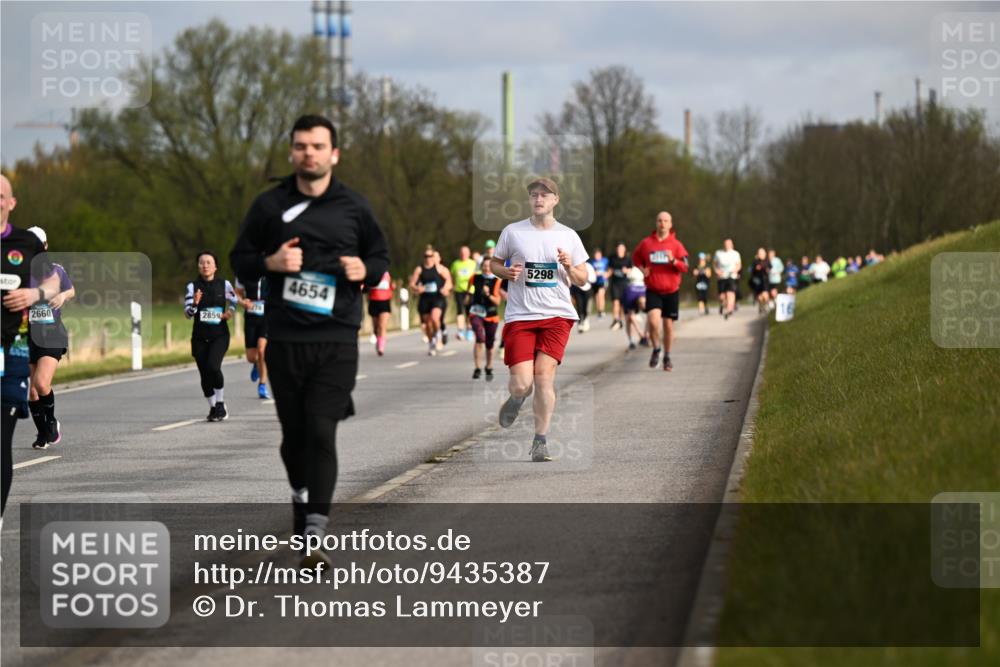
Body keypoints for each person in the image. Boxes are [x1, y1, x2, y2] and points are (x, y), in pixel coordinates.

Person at [230, 114, 389, 569]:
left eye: (318, 146)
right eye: (301, 146)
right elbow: (240, 259)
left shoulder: (354, 207)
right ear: (291, 153)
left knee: (321, 429)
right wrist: (270, 262)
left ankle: (313, 532)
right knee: (293, 437)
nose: (309, 153)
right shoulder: (270, 206)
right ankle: (301, 502)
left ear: (333, 154)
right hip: (284, 337)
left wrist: (367, 270)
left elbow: (380, 254)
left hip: (337, 336)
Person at [490, 177, 588, 463]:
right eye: (534, 195)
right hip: (520, 316)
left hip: (557, 315)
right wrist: (504, 272)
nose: (538, 199)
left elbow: (583, 279)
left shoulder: (569, 236)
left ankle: (540, 441)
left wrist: (569, 267)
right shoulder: (513, 232)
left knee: (544, 376)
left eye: (544, 195)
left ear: (555, 200)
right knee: (522, 383)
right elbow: (495, 263)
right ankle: (518, 397)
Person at [1, 174, 60, 516]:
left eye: (0, 195)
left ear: (11, 203)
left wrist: (34, 293)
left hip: (12, 353)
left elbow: (54, 281)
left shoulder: (25, 244)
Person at [26, 226, 74, 448]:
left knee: (41, 384)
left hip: (52, 334)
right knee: (32, 392)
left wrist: (63, 295)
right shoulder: (19, 274)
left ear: (45, 246)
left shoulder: (56, 270)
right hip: (28, 335)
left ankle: (52, 421)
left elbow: (71, 290)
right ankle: (42, 433)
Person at [632, 211, 689, 371]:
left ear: (670, 224)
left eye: (666, 221)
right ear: (656, 223)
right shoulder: (646, 243)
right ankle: (657, 348)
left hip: (671, 290)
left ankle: (667, 356)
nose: (662, 223)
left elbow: (685, 266)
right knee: (653, 321)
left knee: (668, 326)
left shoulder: (676, 245)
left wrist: (673, 260)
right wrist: (643, 269)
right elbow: (635, 258)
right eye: (659, 221)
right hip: (653, 289)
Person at [184, 252, 237, 421]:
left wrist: (230, 312)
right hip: (199, 336)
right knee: (205, 375)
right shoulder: (192, 287)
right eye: (201, 263)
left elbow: (234, 300)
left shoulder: (225, 284)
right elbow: (188, 314)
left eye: (208, 262)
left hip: (219, 335)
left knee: (213, 367)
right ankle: (213, 407)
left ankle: (221, 403)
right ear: (198, 267)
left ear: (215, 267)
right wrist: (195, 304)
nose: (205, 265)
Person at [410, 245, 452, 356]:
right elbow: (412, 284)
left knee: (435, 318)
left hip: (437, 298)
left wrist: (445, 288)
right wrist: (417, 288)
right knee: (427, 324)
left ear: (434, 257)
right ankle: (432, 342)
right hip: (425, 299)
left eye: (430, 256)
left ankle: (437, 334)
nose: (428, 258)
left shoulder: (440, 268)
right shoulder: (419, 269)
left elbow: (449, 281)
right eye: (426, 256)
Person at [234, 276, 270, 399]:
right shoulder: (244, 274)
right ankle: (256, 363)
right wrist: (242, 302)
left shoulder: (271, 271)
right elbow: (236, 293)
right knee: (251, 357)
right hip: (250, 318)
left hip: (267, 318)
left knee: (261, 350)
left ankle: (262, 385)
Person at [469, 260, 503, 380]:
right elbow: (469, 292)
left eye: (489, 266)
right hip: (476, 312)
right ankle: (477, 368)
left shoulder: (497, 281)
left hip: (491, 314)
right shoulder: (474, 278)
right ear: (481, 267)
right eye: (484, 266)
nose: (486, 268)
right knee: (479, 338)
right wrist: (467, 301)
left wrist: (488, 294)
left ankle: (489, 366)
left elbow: (498, 302)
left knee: (489, 342)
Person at [449, 246, 477, 342]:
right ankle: (460, 331)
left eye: (465, 252)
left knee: (469, 311)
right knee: (460, 310)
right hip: (459, 290)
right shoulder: (455, 264)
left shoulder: (473, 263)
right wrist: (451, 286)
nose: (463, 254)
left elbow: (477, 276)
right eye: (462, 252)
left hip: (470, 291)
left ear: (469, 253)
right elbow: (451, 276)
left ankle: (469, 330)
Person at [713, 238, 742, 320]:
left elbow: (739, 265)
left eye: (729, 244)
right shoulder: (718, 253)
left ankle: (729, 310)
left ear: (732, 245)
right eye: (726, 244)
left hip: (731, 276)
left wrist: (735, 271)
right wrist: (717, 271)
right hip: (722, 277)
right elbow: (714, 264)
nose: (727, 246)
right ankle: (722, 304)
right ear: (724, 245)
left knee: (730, 293)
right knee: (722, 296)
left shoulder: (735, 254)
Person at [366, 270, 393, 356]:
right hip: (374, 301)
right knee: (376, 327)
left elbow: (390, 286)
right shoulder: (372, 272)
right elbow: (367, 286)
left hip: (385, 302)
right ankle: (378, 339)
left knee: (382, 326)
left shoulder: (387, 274)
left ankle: (381, 347)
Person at [606, 242, 631, 330]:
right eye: (618, 248)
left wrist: (627, 270)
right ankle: (615, 319)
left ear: (624, 250)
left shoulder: (627, 259)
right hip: (615, 283)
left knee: (622, 304)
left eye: (622, 248)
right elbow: (609, 270)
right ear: (617, 249)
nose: (620, 250)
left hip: (624, 283)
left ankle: (620, 320)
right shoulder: (612, 258)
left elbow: (631, 270)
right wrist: (606, 275)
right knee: (615, 302)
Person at [623, 265, 647, 349]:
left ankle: (638, 338)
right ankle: (641, 337)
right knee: (630, 317)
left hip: (633, 289)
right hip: (637, 289)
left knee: (629, 317)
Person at [570, 262, 596, 333]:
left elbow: (593, 278)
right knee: (579, 305)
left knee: (586, 306)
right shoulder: (575, 265)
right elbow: (572, 276)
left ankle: (586, 319)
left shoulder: (589, 266)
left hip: (588, 288)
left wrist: (585, 278)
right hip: (578, 288)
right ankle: (580, 323)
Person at [588, 248, 609, 319]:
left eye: (598, 255)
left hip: (603, 281)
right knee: (597, 296)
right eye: (596, 255)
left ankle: (602, 310)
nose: (597, 256)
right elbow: (590, 270)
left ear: (601, 255)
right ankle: (599, 311)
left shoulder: (605, 260)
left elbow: (609, 269)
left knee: (601, 295)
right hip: (595, 281)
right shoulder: (591, 262)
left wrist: (607, 273)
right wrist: (594, 273)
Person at [749, 247, 771, 314]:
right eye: (760, 253)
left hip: (765, 280)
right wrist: (756, 269)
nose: (761, 254)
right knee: (760, 296)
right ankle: (761, 306)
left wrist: (767, 269)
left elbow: (770, 268)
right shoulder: (755, 261)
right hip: (757, 280)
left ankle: (766, 306)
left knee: (765, 294)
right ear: (758, 254)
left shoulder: (767, 261)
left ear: (765, 254)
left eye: (762, 253)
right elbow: (751, 270)